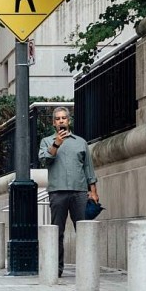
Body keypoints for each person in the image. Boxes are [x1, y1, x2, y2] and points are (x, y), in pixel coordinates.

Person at [38, 106, 98, 278]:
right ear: (53, 122)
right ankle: (56, 268)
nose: (61, 121)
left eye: (64, 118)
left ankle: (87, 267)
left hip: (79, 191)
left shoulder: (80, 142)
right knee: (57, 231)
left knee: (84, 230)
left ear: (69, 120)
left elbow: (88, 168)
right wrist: (56, 144)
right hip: (57, 192)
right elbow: (44, 160)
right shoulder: (47, 141)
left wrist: (93, 191)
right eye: (58, 118)